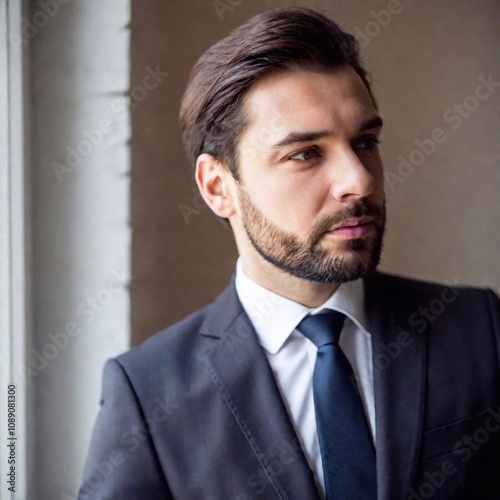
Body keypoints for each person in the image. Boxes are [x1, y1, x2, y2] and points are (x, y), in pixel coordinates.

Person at [79, 7, 500, 500]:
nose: (360, 180)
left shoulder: (480, 330)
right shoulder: (148, 394)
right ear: (218, 187)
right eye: (305, 154)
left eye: (365, 142)